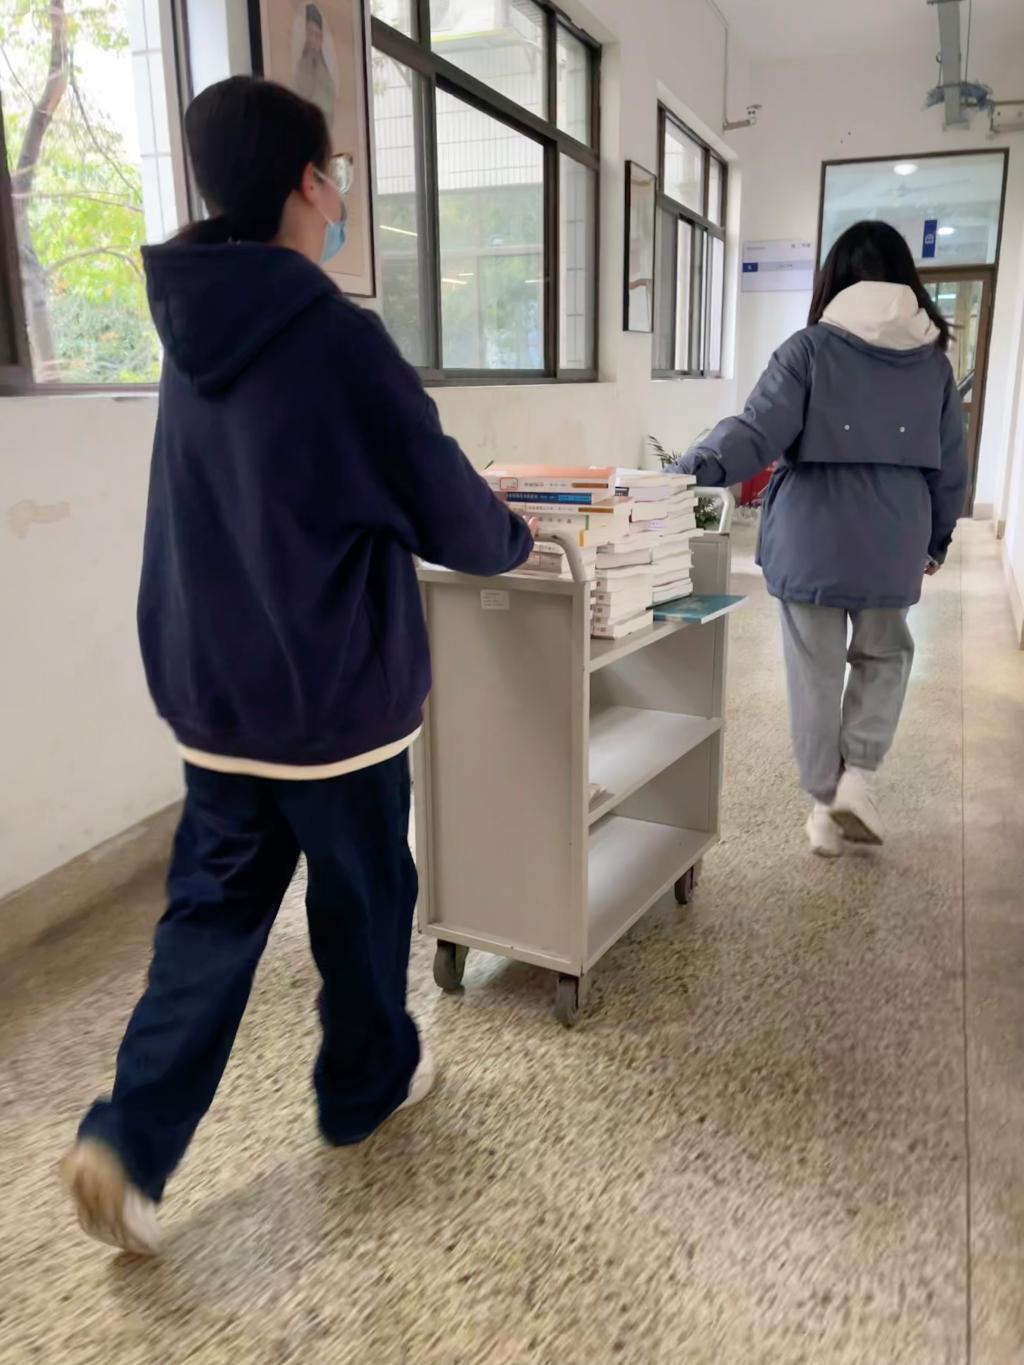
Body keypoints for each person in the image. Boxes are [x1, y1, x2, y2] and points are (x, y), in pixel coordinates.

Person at [60, 75, 534, 1255]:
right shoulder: (333, 336)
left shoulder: (192, 330)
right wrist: (513, 533)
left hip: (216, 698)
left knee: (208, 918)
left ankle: (128, 1143)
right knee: (364, 905)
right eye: (339, 175)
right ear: (309, 184)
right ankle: (366, 1089)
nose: (342, 198)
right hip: (332, 707)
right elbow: (445, 508)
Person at [673, 220, 967, 857]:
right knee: (885, 656)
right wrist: (937, 539)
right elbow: (951, 466)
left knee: (814, 670)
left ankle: (824, 801)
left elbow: (755, 432)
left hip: (810, 539)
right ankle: (856, 778)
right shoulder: (933, 366)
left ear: (834, 280)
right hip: (895, 539)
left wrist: (686, 471)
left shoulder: (807, 351)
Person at [293, 3, 336, 134]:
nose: (312, 40)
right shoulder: (298, 68)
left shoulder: (326, 76)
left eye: (317, 35)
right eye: (309, 33)